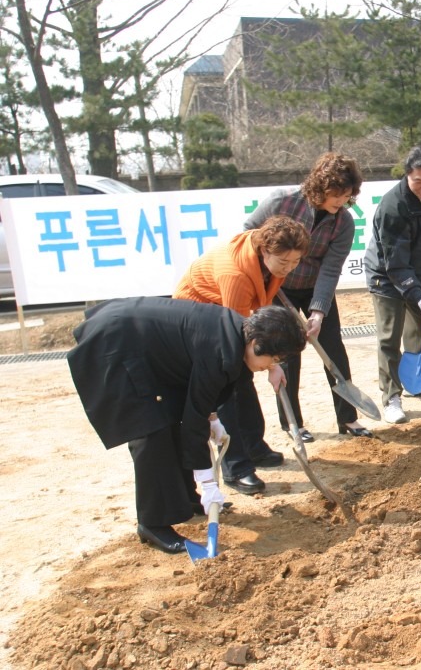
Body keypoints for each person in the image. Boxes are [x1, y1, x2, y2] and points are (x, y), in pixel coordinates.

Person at [67, 299, 306, 555]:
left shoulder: (237, 333)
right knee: (151, 430)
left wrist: (212, 417)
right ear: (256, 344)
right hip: (116, 343)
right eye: (274, 358)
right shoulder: (219, 348)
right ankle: (152, 523)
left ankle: (185, 499)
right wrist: (207, 481)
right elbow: (194, 418)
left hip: (144, 347)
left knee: (171, 414)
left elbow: (202, 399)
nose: (269, 366)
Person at [173, 216, 311, 495]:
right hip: (199, 318)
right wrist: (272, 363)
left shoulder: (268, 261)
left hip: (228, 316)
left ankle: (253, 447)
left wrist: (272, 361)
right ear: (264, 250)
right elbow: (237, 339)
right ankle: (237, 468)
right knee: (230, 385)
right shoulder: (235, 274)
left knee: (243, 385)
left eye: (295, 262)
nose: (289, 269)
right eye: (284, 263)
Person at [244, 152, 375, 443]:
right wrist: (264, 273)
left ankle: (347, 417)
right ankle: (293, 423)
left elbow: (331, 269)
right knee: (287, 353)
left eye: (347, 195)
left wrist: (318, 312)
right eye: (336, 194)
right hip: (279, 287)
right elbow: (247, 234)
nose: (340, 201)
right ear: (320, 186)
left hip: (316, 287)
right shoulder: (281, 202)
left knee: (334, 350)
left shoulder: (344, 223)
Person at [363, 145, 421, 423]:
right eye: (418, 182)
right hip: (386, 277)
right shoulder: (394, 206)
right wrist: (419, 296)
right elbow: (396, 263)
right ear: (407, 176)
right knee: (390, 338)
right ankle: (391, 396)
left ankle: (419, 383)